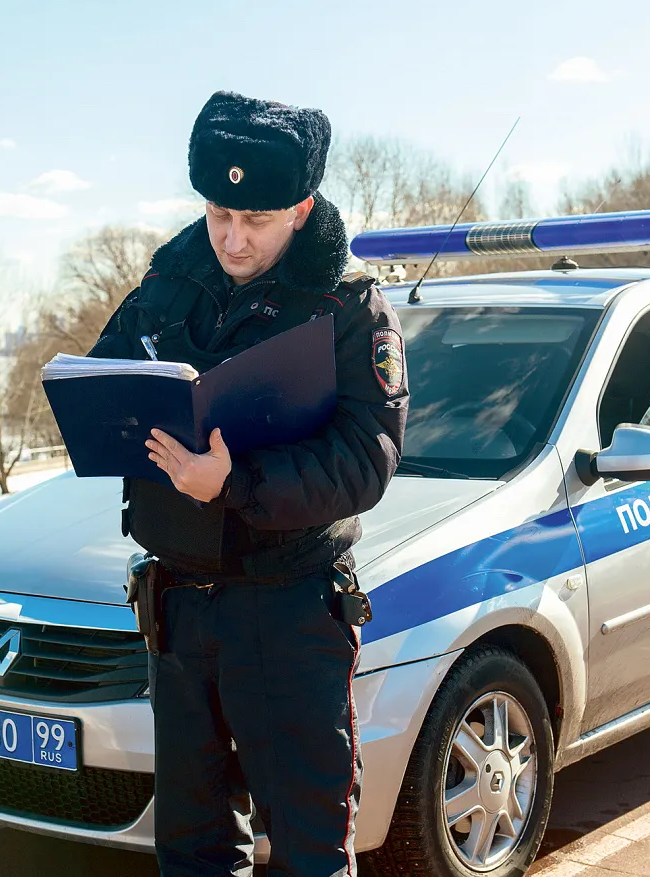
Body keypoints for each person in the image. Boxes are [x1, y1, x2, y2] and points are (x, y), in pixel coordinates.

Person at [89, 91, 409, 876]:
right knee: (193, 848)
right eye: (218, 213)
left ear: (301, 209)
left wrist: (240, 481)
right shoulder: (169, 280)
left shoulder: (349, 305)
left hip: (291, 606)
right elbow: (103, 377)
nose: (232, 239)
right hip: (180, 605)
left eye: (256, 221)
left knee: (307, 845)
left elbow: (367, 456)